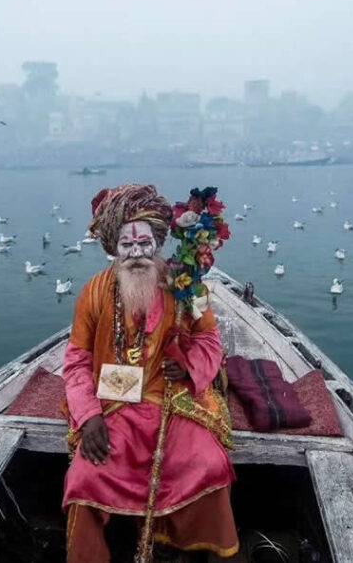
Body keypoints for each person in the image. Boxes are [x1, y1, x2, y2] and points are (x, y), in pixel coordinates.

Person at [62, 183, 238, 561]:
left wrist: (188, 365)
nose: (137, 254)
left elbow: (209, 341)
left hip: (172, 401)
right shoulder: (93, 292)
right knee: (83, 478)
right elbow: (76, 360)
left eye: (145, 244)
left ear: (157, 243)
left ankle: (179, 550)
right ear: (113, 248)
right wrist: (89, 416)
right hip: (114, 406)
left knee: (209, 464)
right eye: (128, 245)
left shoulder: (183, 285)